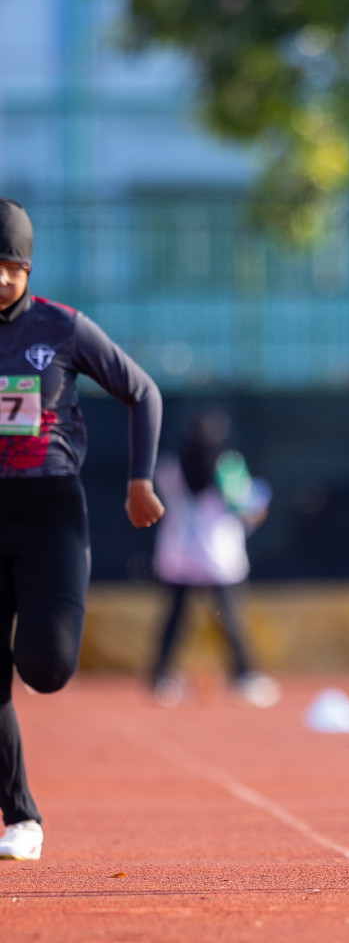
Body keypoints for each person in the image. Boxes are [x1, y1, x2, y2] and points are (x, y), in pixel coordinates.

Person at [0, 198, 164, 861]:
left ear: (27, 268)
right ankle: (21, 818)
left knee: (45, 668)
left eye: (9, 266)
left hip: (50, 513)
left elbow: (143, 391)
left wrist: (139, 480)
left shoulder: (61, 328)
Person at [148, 409, 278, 708]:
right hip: (218, 555)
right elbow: (248, 512)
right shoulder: (228, 465)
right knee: (230, 620)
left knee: (174, 619)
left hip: (178, 553)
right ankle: (244, 677)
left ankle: (160, 678)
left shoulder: (169, 462)